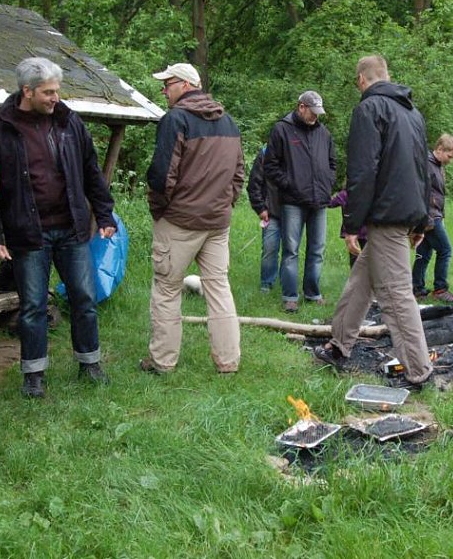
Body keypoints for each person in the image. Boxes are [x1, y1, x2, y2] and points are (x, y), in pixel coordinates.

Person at [0, 58, 117, 398]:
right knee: (33, 307)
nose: (56, 98)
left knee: (84, 298)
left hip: (71, 229)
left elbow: (91, 173)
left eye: (57, 91)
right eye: (48, 92)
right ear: (27, 91)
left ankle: (90, 364)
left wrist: (106, 214)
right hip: (29, 235)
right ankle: (34, 375)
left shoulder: (71, 124)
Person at [314, 55, 433, 386]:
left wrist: (352, 223)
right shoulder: (412, 113)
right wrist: (422, 221)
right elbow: (424, 172)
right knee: (361, 283)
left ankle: (420, 373)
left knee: (395, 297)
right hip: (403, 214)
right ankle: (339, 346)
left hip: (386, 216)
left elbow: (363, 172)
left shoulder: (369, 110)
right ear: (387, 76)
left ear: (362, 80)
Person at [141, 63, 244, 375]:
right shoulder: (228, 122)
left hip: (179, 222)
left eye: (168, 83)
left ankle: (162, 362)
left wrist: (160, 210)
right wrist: (224, 205)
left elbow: (161, 176)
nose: (164, 90)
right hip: (216, 222)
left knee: (167, 289)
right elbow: (238, 175)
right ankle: (228, 363)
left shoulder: (176, 119)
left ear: (185, 85)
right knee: (219, 289)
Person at [263, 90, 336, 312]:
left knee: (317, 250)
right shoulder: (282, 130)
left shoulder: (324, 133)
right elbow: (270, 166)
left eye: (318, 112)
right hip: (292, 201)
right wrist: (289, 184)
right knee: (291, 250)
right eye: (312, 111)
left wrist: (328, 183)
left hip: (320, 201)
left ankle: (313, 294)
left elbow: (333, 163)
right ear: (301, 107)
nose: (315, 116)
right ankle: (290, 296)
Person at [412, 134, 453, 302]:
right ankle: (440, 289)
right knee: (445, 250)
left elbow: (439, 195)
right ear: (440, 149)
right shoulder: (427, 164)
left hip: (435, 215)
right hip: (429, 216)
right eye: (449, 156)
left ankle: (416, 288)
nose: (450, 160)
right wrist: (429, 219)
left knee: (424, 253)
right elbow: (422, 193)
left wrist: (443, 216)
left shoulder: (438, 165)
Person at [246, 145, 282, 292]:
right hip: (271, 211)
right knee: (269, 249)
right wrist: (260, 208)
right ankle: (266, 283)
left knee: (291, 252)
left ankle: (287, 285)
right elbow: (254, 182)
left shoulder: (299, 149)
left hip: (295, 211)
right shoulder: (266, 151)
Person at [327, 188, 367, 268]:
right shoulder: (366, 193)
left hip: (350, 229)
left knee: (353, 256)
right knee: (368, 255)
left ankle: (355, 277)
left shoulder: (344, 194)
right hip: (365, 230)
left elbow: (330, 203)